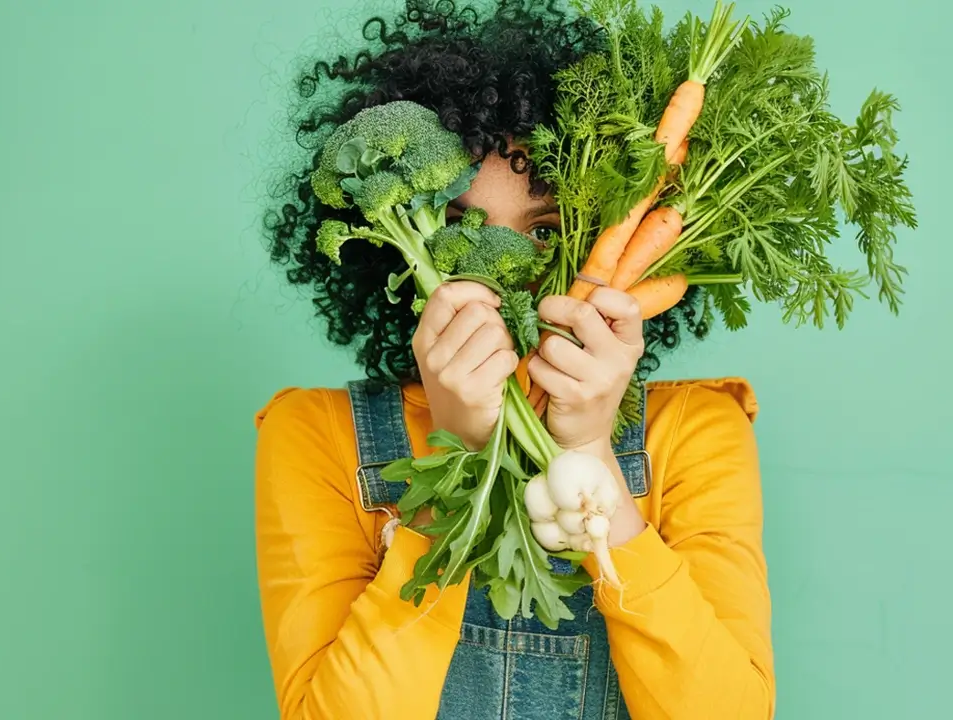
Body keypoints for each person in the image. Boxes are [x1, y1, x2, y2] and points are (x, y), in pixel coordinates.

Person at [256, 1, 774, 717]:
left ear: (604, 238)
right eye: (463, 226)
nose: (498, 274)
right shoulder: (312, 436)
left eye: (545, 231)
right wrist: (456, 460)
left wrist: (592, 459)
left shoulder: (698, 430)